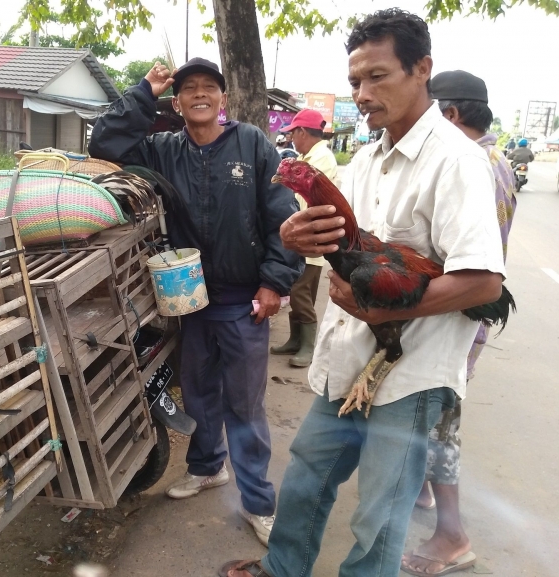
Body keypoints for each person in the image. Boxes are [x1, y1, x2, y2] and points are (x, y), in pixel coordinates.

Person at [219, 9, 506, 577]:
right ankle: (282, 569)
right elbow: (345, 242)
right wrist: (292, 235)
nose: (363, 93)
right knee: (305, 477)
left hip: (412, 374)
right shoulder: (367, 157)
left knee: (380, 511)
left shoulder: (458, 162)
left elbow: (484, 281)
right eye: (355, 81)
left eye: (378, 76)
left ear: (421, 69)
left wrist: (382, 304)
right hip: (352, 361)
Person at [88, 57, 301, 547]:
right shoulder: (163, 150)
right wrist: (145, 90)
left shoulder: (252, 144)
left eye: (209, 87)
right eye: (189, 89)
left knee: (244, 404)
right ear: (178, 102)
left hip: (244, 299)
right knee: (200, 391)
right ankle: (207, 468)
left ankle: (259, 502)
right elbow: (106, 144)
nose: (199, 94)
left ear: (221, 98)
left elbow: (281, 216)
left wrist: (274, 281)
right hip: (188, 297)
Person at [399, 70, 517, 577]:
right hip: (461, 313)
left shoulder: (469, 162)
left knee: (440, 421)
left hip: (454, 316)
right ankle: (422, 489)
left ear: (449, 114)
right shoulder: (493, 158)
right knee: (434, 418)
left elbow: (469, 272)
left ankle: (453, 536)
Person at [271, 109, 338, 367]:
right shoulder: (307, 156)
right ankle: (296, 339)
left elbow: (303, 197)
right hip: (303, 235)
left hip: (310, 237)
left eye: (292, 134)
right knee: (298, 290)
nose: (291, 139)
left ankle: (309, 346)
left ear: (301, 131)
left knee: (300, 291)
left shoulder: (321, 158)